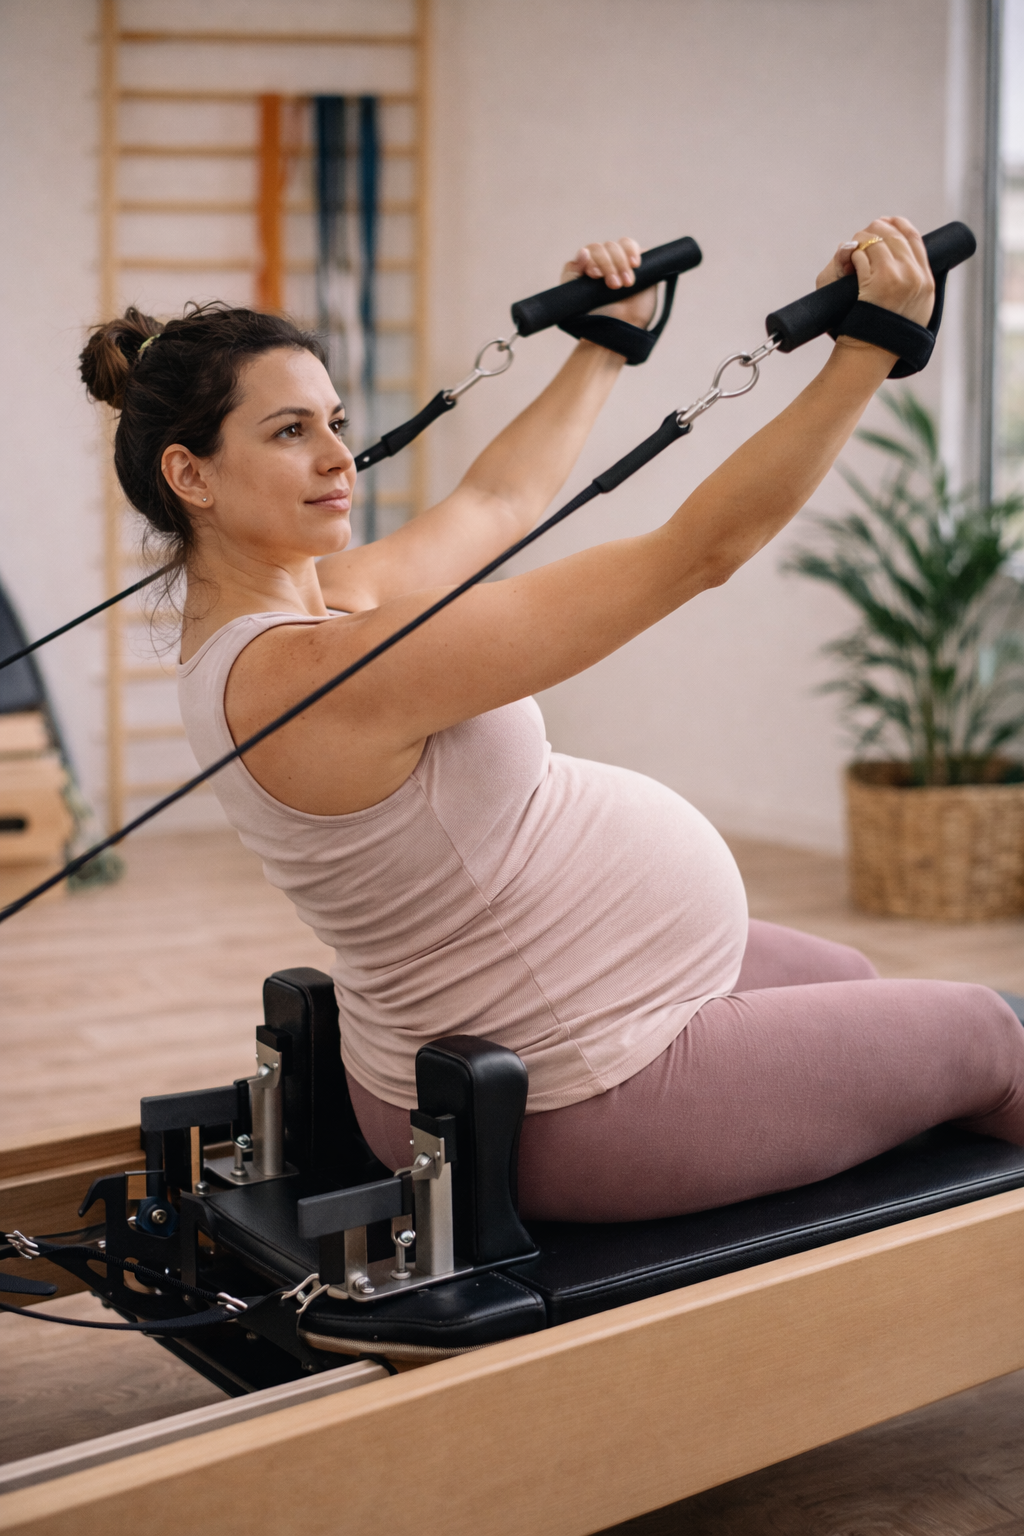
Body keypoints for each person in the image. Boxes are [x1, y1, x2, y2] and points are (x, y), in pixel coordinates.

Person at [80, 221, 1024, 1224]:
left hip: (524, 1017)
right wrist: (871, 346)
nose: (339, 457)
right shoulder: (314, 672)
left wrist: (604, 344)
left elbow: (496, 500)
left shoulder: (305, 615)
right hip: (569, 1094)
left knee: (845, 977)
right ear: (191, 475)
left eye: (335, 421)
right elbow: (695, 554)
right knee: (986, 1032)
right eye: (289, 432)